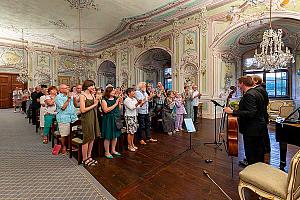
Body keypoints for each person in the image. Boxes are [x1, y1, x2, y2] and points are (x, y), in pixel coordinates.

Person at [224, 76, 266, 165]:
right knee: (258, 153)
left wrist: (232, 111)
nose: (238, 86)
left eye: (239, 83)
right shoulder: (257, 92)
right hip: (259, 127)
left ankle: (252, 173)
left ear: (242, 83)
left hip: (252, 129)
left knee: (252, 154)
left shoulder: (249, 94)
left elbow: (251, 113)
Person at [79, 80, 100, 166]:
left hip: (93, 117)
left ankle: (89, 156)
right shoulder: (82, 95)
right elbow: (82, 110)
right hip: (87, 118)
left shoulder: (91, 94)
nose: (93, 87)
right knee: (87, 138)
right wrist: (94, 105)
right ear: (87, 86)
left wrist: (96, 97)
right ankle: (84, 159)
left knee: (92, 137)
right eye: (91, 85)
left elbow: (96, 106)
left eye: (93, 85)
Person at [252, 75, 270, 164]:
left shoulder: (258, 90)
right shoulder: (262, 89)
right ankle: (266, 149)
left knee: (262, 135)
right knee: (264, 134)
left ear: (255, 81)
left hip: (261, 115)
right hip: (263, 114)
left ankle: (264, 150)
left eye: (251, 79)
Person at [55, 84, 78, 154]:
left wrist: (74, 98)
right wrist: (68, 99)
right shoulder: (58, 97)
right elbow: (63, 107)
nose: (67, 89)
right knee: (64, 134)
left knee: (72, 132)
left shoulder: (70, 95)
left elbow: (76, 105)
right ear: (61, 89)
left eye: (67, 88)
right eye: (65, 88)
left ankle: (70, 145)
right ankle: (64, 146)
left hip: (73, 117)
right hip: (64, 117)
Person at [101, 85, 122, 159]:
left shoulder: (115, 98)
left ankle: (113, 150)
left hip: (116, 118)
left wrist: (119, 103)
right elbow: (106, 110)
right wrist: (115, 103)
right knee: (108, 136)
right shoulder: (104, 100)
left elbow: (119, 109)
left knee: (115, 136)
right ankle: (107, 152)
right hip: (108, 119)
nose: (114, 91)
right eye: (113, 91)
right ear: (108, 92)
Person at [123, 87, 143, 152]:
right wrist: (138, 103)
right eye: (133, 91)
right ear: (129, 93)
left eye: (134, 91)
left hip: (134, 116)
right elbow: (131, 107)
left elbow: (138, 107)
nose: (134, 92)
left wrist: (141, 103)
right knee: (130, 131)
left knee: (133, 131)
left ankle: (132, 144)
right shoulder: (126, 100)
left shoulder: (134, 99)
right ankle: (129, 145)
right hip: (129, 116)